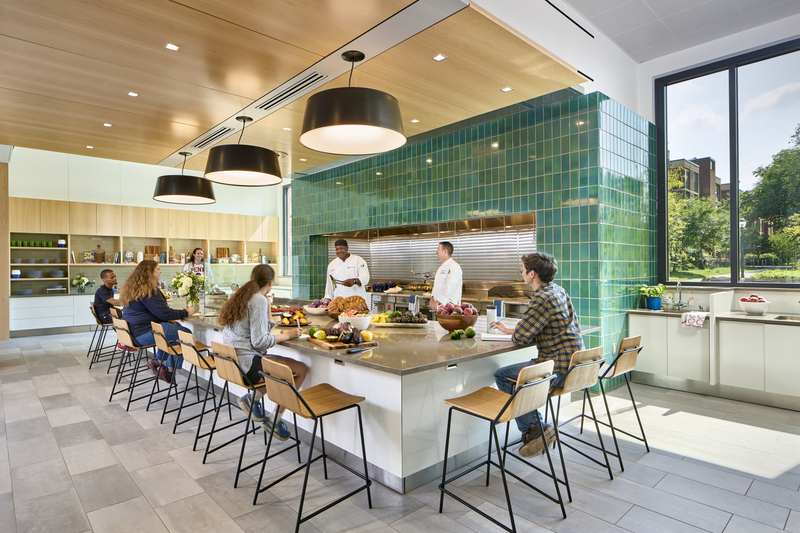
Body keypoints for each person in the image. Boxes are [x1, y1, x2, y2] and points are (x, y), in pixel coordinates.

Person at [492, 252, 584, 458]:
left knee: (502, 375)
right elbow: (540, 326)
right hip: (576, 366)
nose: (521, 271)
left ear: (532, 273)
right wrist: (512, 330)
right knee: (521, 375)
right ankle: (536, 427)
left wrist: (514, 333)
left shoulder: (541, 297)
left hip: (556, 368)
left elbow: (521, 339)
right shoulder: (558, 291)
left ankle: (533, 429)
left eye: (523, 269)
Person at [218, 264, 307, 441]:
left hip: (235, 364)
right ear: (271, 283)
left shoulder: (243, 297)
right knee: (299, 370)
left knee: (281, 373)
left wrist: (268, 308)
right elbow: (260, 342)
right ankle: (274, 419)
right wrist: (287, 335)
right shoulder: (257, 299)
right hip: (248, 365)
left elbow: (259, 335)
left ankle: (254, 399)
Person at [120, 260, 196, 383]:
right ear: (149, 272)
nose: (160, 271)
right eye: (158, 269)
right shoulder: (149, 290)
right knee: (185, 334)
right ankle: (169, 369)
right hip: (142, 334)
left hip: (132, 333)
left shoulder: (135, 288)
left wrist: (170, 319)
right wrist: (186, 312)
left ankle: (158, 362)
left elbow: (157, 313)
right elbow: (164, 313)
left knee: (171, 332)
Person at [429, 241, 463, 311]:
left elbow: (449, 286)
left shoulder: (454, 266)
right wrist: (432, 298)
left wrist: (438, 302)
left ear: (445, 251)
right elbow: (437, 286)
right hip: (440, 308)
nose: (436, 251)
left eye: (438, 249)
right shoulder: (441, 267)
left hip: (450, 309)